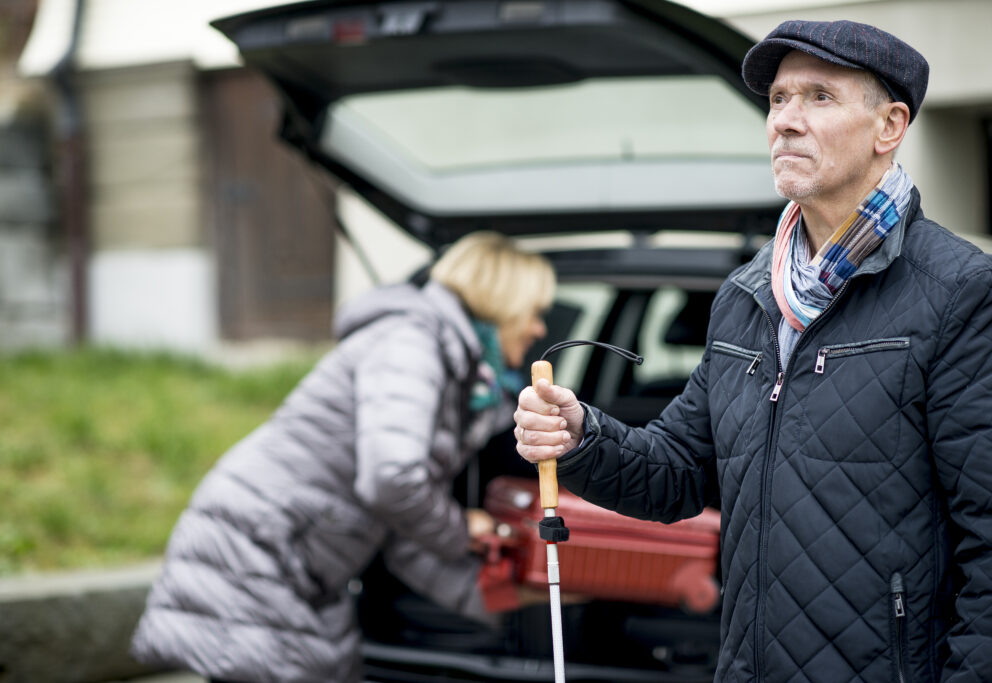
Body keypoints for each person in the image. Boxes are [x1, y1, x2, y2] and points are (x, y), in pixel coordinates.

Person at [513, 20, 991, 683]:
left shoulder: (961, 291)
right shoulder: (746, 295)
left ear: (890, 127)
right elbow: (679, 469)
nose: (786, 121)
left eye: (819, 97)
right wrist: (580, 434)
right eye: (778, 99)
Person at [131, 231, 555, 683]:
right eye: (535, 312)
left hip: (294, 562)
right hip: (259, 551)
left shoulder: (453, 367)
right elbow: (392, 480)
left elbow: (400, 526)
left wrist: (507, 598)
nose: (540, 328)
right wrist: (458, 529)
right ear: (501, 300)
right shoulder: (411, 344)